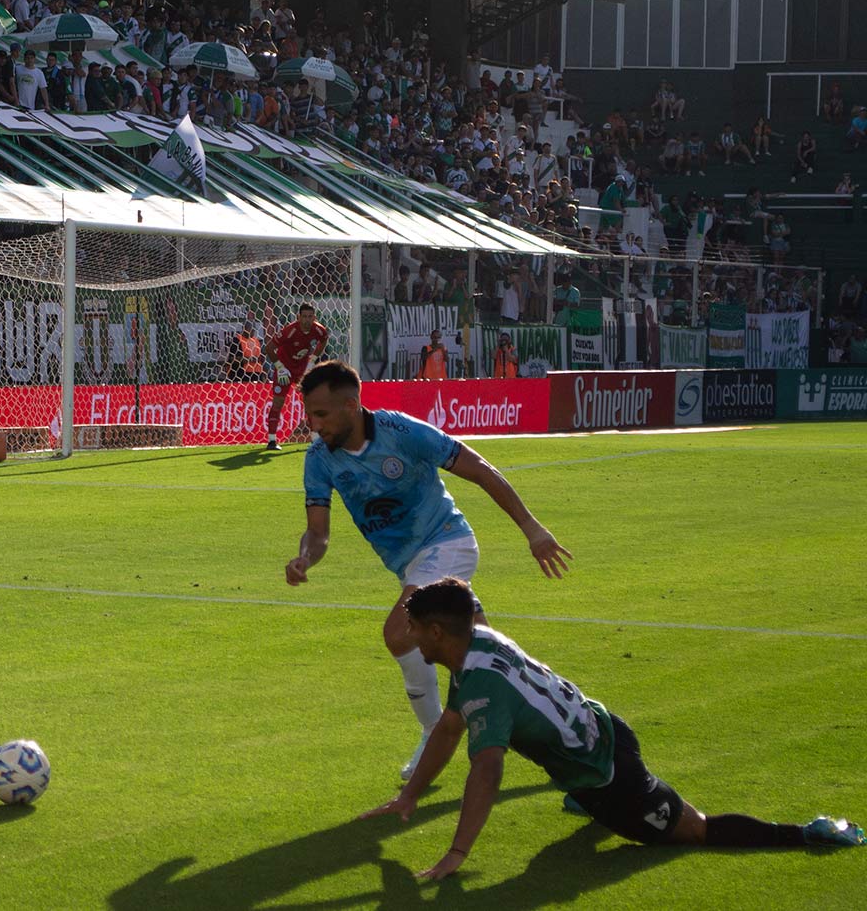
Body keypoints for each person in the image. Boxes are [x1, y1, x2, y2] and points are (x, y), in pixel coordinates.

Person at [360, 578, 864, 880]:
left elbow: (486, 773)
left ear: (438, 632)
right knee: (554, 858)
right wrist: (410, 798)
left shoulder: (482, 687)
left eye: (414, 627)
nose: (405, 636)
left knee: (692, 831)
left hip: (607, 773)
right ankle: (583, 796)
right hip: (601, 726)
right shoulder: (477, 642)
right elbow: (449, 729)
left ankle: (808, 833)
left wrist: (456, 853)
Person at [286, 360, 571, 779]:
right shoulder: (319, 459)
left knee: (399, 632)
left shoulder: (403, 432)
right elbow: (318, 533)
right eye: (309, 414)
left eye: (321, 414)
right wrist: (305, 557)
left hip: (448, 543)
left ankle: (435, 730)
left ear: (351, 405)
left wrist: (531, 528)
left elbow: (481, 470)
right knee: (490, 666)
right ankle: (570, 737)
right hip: (412, 566)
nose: (313, 424)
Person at [261, 303, 330, 451]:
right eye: (304, 316)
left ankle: (315, 439)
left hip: (302, 370)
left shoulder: (318, 330)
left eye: (310, 316)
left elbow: (324, 339)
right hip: (284, 369)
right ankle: (272, 441)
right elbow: (269, 348)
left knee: (310, 401)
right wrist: (280, 367)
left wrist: (312, 360)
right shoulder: (290, 331)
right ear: (298, 317)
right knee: (278, 402)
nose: (306, 320)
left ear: (314, 317)